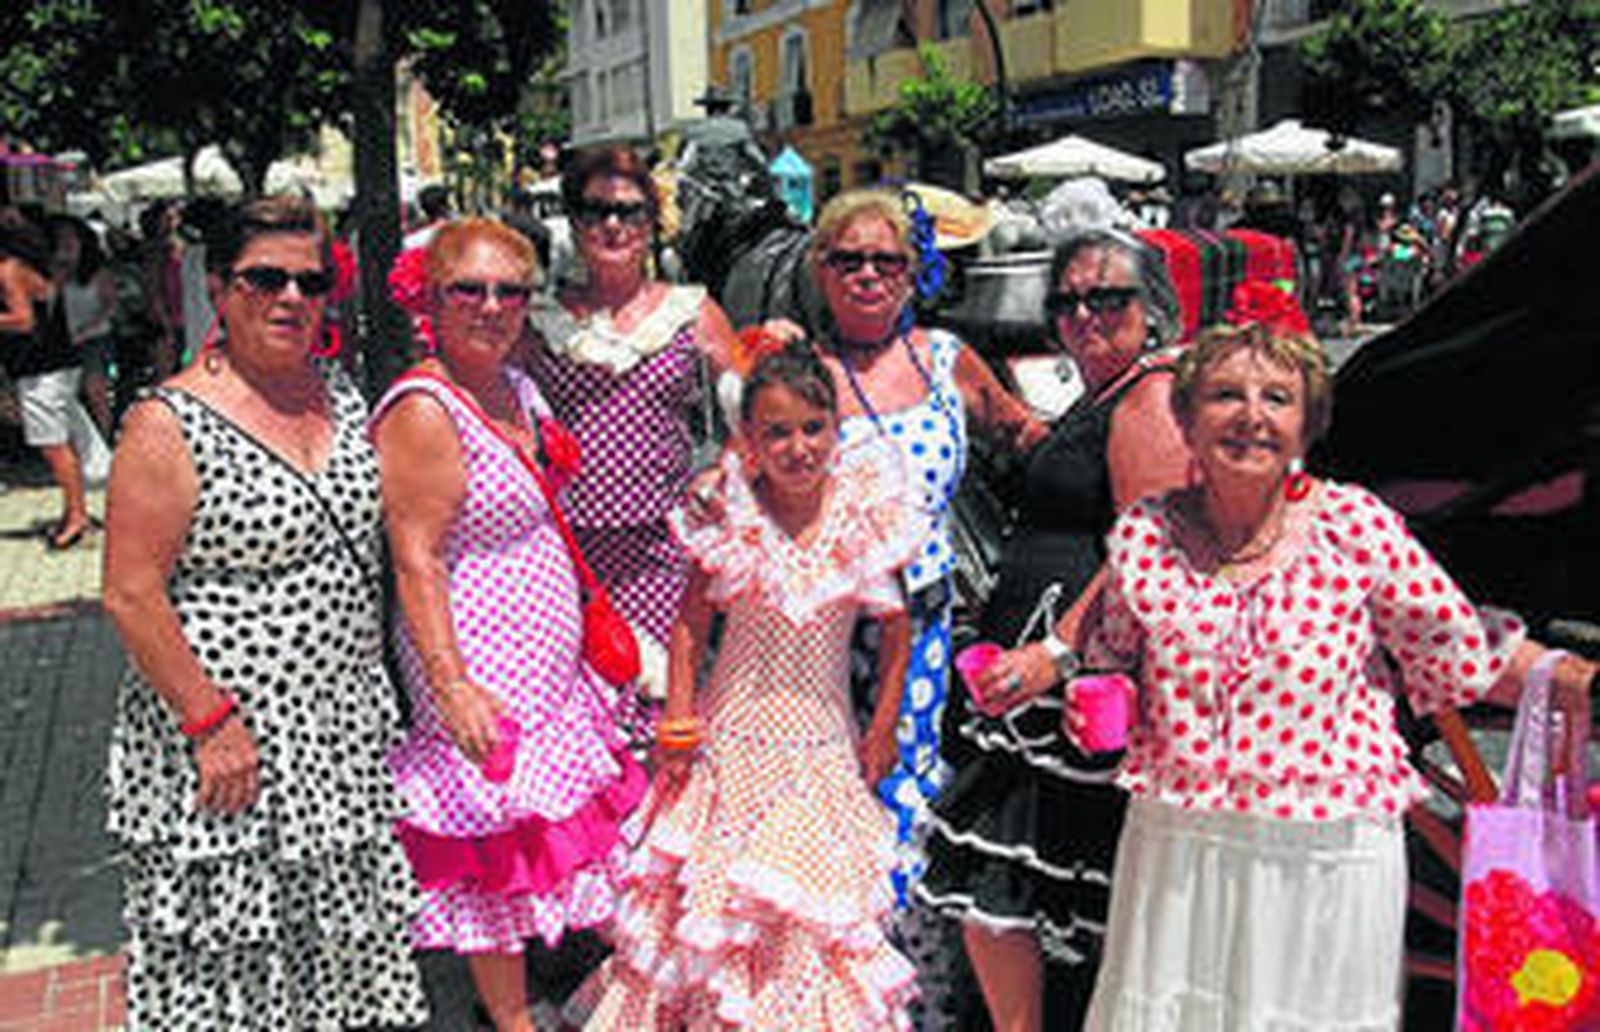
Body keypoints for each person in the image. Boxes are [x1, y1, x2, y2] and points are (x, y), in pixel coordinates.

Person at [1076, 281, 1596, 1030]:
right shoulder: (1145, 537)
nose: (1251, 416)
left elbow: (1454, 644)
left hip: (1324, 853)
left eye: (1277, 399)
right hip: (1182, 848)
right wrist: (1092, 697)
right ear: (1186, 421)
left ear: (1307, 424)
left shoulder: (1355, 526)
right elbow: (1113, 658)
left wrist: (1563, 676)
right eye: (1224, 395)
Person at [100, 195, 427, 1029]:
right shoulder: (168, 422)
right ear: (217, 287)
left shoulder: (340, 394)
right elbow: (130, 592)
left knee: (340, 946)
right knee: (236, 963)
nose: (291, 298)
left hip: (339, 729)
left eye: (310, 282)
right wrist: (209, 721)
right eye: (264, 279)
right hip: (228, 734)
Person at [763, 187, 1045, 1028]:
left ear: (913, 270)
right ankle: (829, 995)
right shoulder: (798, 369)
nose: (867, 275)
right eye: (848, 259)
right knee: (820, 800)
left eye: (886, 260)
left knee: (905, 793)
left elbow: (1022, 432)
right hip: (817, 633)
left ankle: (918, 995)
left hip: (920, 627)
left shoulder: (946, 359)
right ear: (821, 270)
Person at [584, 346, 922, 1029]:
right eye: (777, 433)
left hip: (823, 753)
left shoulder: (863, 515)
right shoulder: (730, 515)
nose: (798, 448)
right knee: (715, 924)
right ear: (750, 441)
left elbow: (896, 629)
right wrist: (678, 719)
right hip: (730, 751)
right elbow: (689, 624)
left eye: (813, 428)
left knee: (810, 920)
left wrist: (884, 724)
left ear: (836, 428)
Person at [372, 217, 647, 1032]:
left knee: (555, 824)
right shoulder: (425, 409)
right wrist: (451, 685)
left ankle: (579, 995)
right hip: (479, 659)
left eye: (510, 291)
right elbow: (416, 557)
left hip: (544, 663)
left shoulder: (516, 388)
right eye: (470, 290)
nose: (492, 306)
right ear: (431, 298)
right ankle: (510, 1019)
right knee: (492, 845)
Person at [916, 228, 1191, 1031]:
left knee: (1029, 871)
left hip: (1065, 681)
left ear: (1152, 307)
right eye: (1067, 302)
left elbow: (1145, 549)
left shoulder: (1149, 397)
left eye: (1108, 298)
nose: (1084, 315)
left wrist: (1057, 653)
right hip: (1031, 674)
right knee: (1012, 879)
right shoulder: (1105, 394)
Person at [524, 145, 738, 745]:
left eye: (629, 211)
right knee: (582, 713)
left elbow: (754, 410)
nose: (613, 225)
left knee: (668, 706)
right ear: (574, 221)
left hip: (662, 550)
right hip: (567, 553)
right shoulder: (540, 321)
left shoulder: (692, 312)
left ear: (651, 222)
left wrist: (721, 471)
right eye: (596, 211)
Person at [0, 212, 93, 548]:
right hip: (56, 364)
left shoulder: (8, 271)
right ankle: (74, 512)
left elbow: (23, 320)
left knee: (53, 445)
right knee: (59, 443)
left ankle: (77, 517)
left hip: (40, 370)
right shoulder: (31, 267)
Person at [49, 214, 116, 436]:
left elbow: (110, 306)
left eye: (71, 237)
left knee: (95, 391)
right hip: (67, 338)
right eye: (61, 238)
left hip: (94, 337)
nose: (66, 242)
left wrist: (87, 329)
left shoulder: (98, 272)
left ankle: (104, 438)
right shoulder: (58, 271)